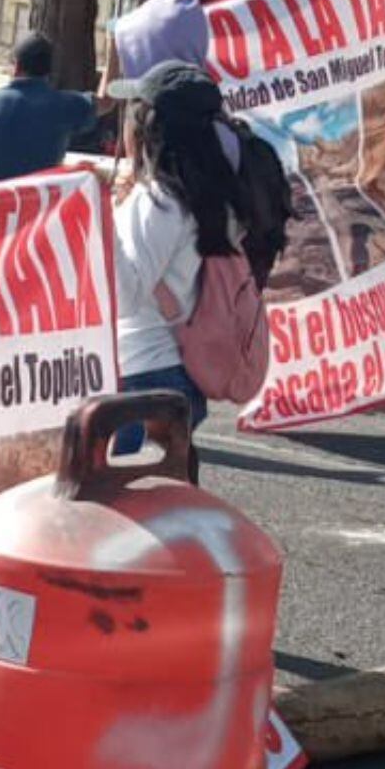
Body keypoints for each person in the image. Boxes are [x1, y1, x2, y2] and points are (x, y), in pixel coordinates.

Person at [111, 61, 256, 475]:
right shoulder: (209, 197)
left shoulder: (159, 201)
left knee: (117, 519)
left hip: (139, 374)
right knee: (162, 509)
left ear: (149, 126)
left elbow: (126, 295)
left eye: (132, 111)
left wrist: (102, 227)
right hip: (179, 373)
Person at [0, 32, 97, 187]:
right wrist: (114, 48)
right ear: (48, 71)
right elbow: (108, 101)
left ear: (15, 67)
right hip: (43, 209)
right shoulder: (66, 105)